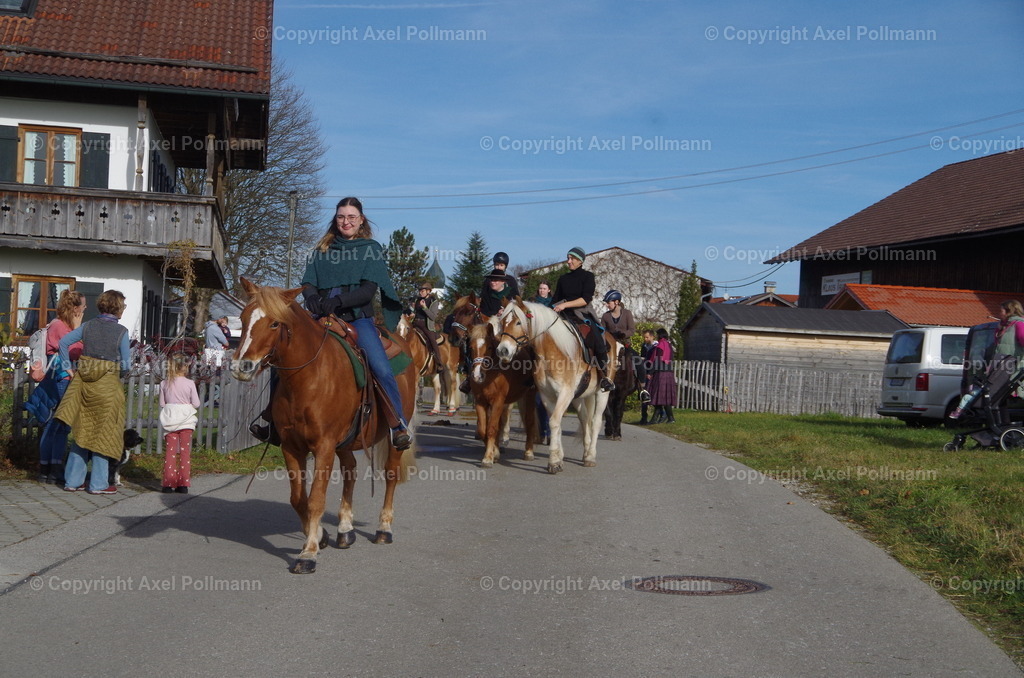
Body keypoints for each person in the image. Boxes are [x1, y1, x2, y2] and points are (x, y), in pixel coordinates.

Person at [296, 196, 411, 449]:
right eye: (340, 217)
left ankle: (397, 425)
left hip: (356, 319)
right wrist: (313, 297)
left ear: (361, 220)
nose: (345, 222)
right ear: (335, 219)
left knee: (381, 368)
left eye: (351, 217)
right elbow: (308, 282)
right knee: (283, 353)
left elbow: (368, 291)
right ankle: (273, 420)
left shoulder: (370, 249)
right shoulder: (322, 250)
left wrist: (339, 302)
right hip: (320, 318)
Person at [55, 290, 131, 494]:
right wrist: (118, 373)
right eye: (123, 306)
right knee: (102, 434)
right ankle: (98, 485)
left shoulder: (87, 326)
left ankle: (72, 481)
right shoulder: (122, 332)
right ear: (117, 308)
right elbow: (126, 364)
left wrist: (67, 367)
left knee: (82, 431)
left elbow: (63, 343)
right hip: (107, 388)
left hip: (85, 386)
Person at [36, 290, 86, 483]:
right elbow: (76, 351)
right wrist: (78, 328)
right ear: (75, 309)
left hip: (60, 377)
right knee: (60, 424)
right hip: (62, 378)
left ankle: (48, 468)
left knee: (55, 424)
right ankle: (52, 468)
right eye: (82, 305)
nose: (84, 309)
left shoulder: (59, 325)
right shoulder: (60, 326)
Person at [552, 247, 614, 392]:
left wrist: (565, 304)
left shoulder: (588, 276)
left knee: (597, 339)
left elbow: (585, 299)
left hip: (582, 315)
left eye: (572, 259)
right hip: (563, 315)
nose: (569, 261)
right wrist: (551, 309)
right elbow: (555, 300)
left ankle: (604, 376)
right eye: (568, 258)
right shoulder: (563, 279)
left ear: (580, 261)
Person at [949, 299, 1024, 419]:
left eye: (1002, 311)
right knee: (997, 398)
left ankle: (1002, 427)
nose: (999, 313)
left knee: (998, 396)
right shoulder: (1004, 326)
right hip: (999, 365)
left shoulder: (1018, 325)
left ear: (1010, 311)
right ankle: (1001, 427)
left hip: (1010, 366)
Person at [600, 289, 650, 404]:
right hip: (611, 346)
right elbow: (602, 331)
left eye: (609, 302)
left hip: (624, 345)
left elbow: (632, 330)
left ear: (616, 302)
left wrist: (624, 334)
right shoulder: (605, 316)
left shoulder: (627, 313)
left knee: (638, 360)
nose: (607, 305)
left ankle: (643, 390)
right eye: (607, 303)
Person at [159, 353, 200, 494]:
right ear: (185, 367)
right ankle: (183, 484)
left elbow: (162, 403)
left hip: (170, 421)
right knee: (184, 452)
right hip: (186, 422)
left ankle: (168, 484)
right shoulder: (189, 383)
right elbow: (196, 403)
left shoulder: (164, 383)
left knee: (170, 452)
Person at [412, 281, 444, 374]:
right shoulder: (417, 300)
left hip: (426, 325)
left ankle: (439, 363)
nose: (421, 292)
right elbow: (416, 312)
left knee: (432, 340)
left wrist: (425, 307)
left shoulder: (433, 302)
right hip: (415, 323)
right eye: (420, 291)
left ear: (428, 291)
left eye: (423, 290)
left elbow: (433, 317)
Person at [648, 327, 677, 423]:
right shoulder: (669, 345)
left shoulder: (660, 345)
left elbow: (657, 360)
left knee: (658, 395)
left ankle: (668, 418)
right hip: (669, 373)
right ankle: (669, 418)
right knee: (664, 397)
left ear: (660, 335)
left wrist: (650, 372)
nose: (656, 336)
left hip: (661, 373)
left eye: (657, 334)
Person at [638, 329, 657, 424]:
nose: (645, 339)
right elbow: (642, 358)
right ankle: (644, 417)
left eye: (647, 337)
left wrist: (651, 371)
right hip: (645, 371)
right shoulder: (644, 346)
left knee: (655, 394)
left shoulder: (656, 346)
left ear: (652, 336)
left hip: (654, 372)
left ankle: (659, 414)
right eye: (644, 337)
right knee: (644, 393)